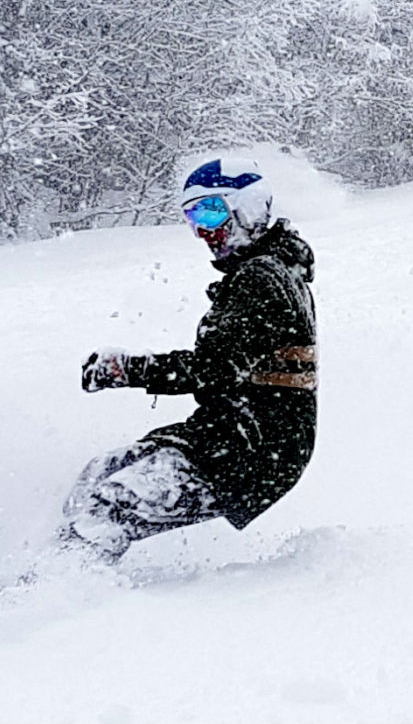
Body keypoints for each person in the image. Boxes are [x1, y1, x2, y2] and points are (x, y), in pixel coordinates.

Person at [60, 157, 318, 563]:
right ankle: (39, 565)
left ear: (247, 207)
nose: (203, 231)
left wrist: (129, 369)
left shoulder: (263, 277)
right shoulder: (266, 270)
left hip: (252, 445)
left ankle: (51, 599)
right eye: (192, 217)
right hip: (230, 434)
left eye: (212, 211)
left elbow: (214, 369)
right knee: (100, 472)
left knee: (108, 507)